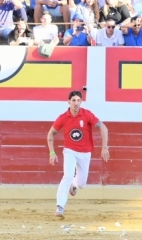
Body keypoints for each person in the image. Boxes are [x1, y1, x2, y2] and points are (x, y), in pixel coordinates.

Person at [47, 90, 110, 218]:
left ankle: (74, 185)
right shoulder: (63, 118)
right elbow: (51, 134)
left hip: (85, 152)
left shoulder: (87, 115)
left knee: (81, 183)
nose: (76, 103)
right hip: (70, 150)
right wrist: (52, 152)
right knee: (68, 175)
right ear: (69, 102)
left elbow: (103, 128)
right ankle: (60, 207)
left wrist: (104, 147)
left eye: (78, 101)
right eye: (74, 100)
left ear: (81, 102)